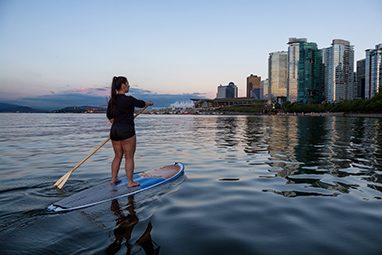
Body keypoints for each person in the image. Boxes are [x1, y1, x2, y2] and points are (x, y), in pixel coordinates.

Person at [107, 76, 153, 187]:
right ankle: (130, 182)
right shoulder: (129, 99)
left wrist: (118, 121)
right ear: (123, 85)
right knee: (129, 157)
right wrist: (148, 103)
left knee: (117, 156)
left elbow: (110, 117)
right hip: (127, 132)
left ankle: (113, 179)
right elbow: (141, 103)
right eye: (127, 84)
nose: (128, 85)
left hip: (114, 132)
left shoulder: (112, 101)